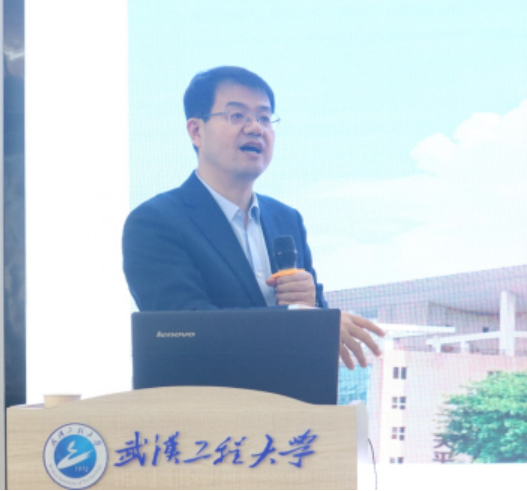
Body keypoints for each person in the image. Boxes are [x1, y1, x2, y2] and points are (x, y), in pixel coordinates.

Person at [122, 66, 384, 369]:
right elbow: (184, 329)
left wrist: (312, 306)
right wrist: (305, 320)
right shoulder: (155, 222)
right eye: (237, 115)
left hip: (290, 395)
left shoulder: (287, 219)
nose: (256, 128)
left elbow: (310, 323)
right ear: (196, 131)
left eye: (264, 118)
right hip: (206, 396)